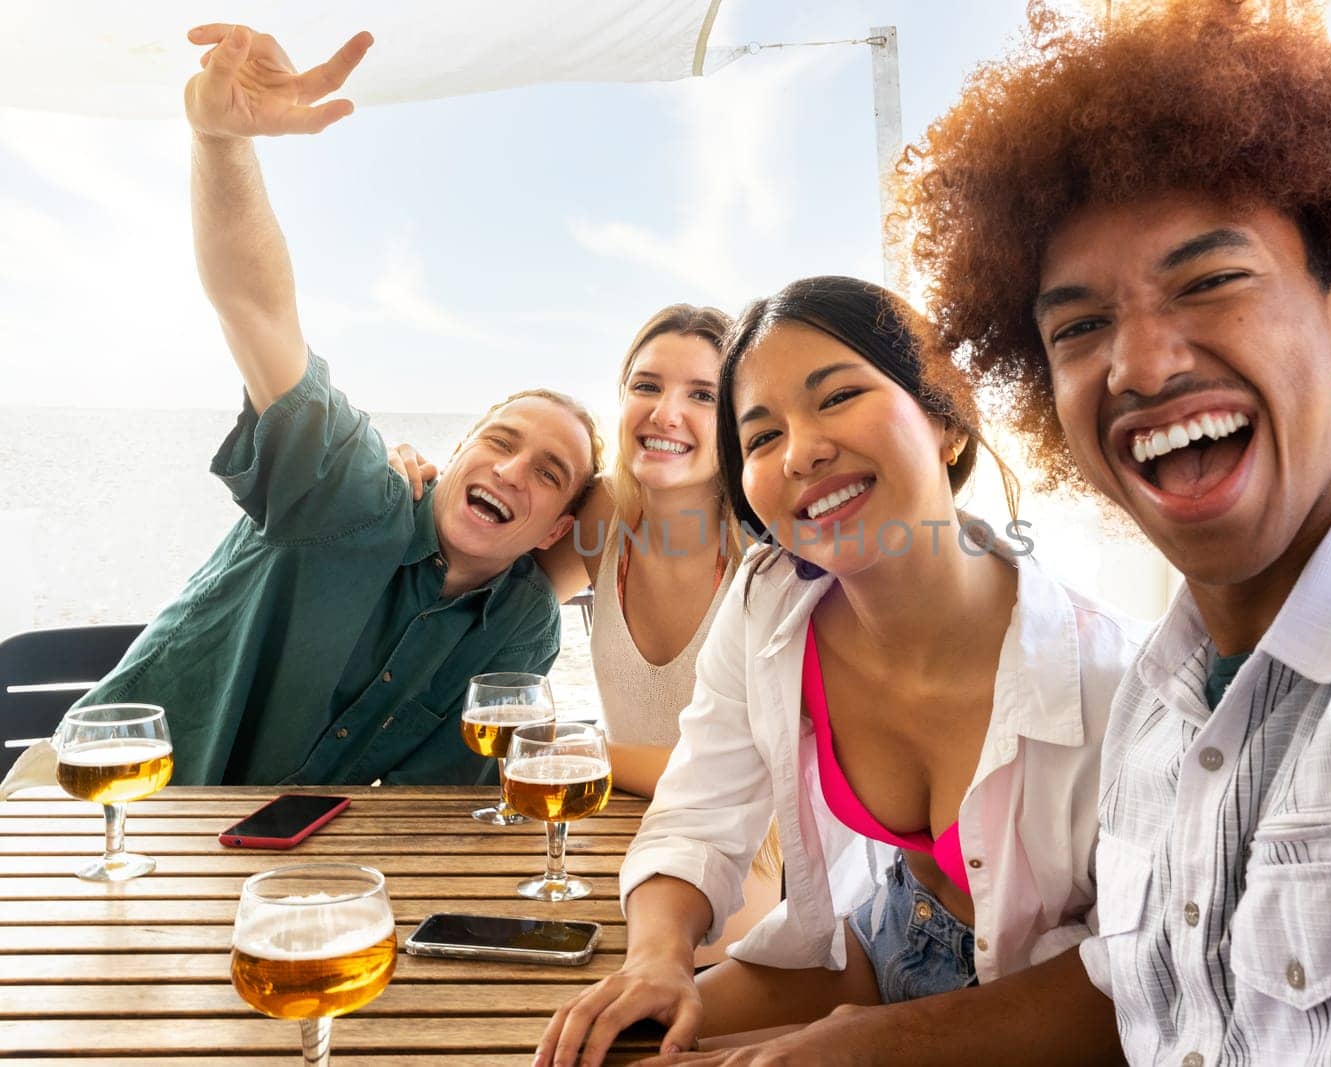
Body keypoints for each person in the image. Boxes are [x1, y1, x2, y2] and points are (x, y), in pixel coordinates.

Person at [878, 0, 1331, 1062]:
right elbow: (1139, 993)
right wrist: (850, 1041)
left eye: (1208, 282)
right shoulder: (1154, 705)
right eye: (1079, 326)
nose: (1141, 365)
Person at [534, 276, 1141, 1067]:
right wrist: (658, 954)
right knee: (601, 1051)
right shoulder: (769, 601)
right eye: (759, 437)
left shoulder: (1113, 678)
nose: (802, 451)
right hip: (885, 939)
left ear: (946, 420)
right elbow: (698, 810)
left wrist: (863, 1045)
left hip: (1037, 1007)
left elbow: (1133, 979)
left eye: (839, 396)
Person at [64, 24, 602, 787]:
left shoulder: (518, 625)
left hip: (269, 865)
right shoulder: (352, 490)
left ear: (557, 527)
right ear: (455, 454)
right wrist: (220, 142)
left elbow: (439, 812)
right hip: (102, 805)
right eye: (500, 440)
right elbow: (259, 313)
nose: (511, 468)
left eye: (549, 472)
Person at [391, 305, 783, 961]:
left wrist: (577, 750)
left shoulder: (767, 552)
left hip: (743, 857)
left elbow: (754, 769)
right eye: (647, 385)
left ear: (737, 417)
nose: (665, 413)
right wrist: (406, 481)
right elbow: (484, 558)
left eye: (701, 394)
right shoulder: (603, 513)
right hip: (614, 832)